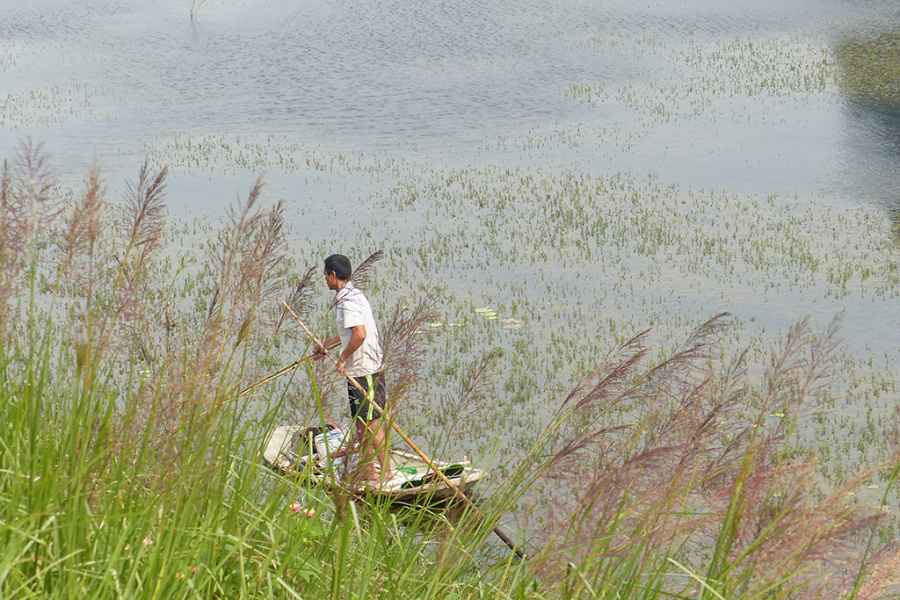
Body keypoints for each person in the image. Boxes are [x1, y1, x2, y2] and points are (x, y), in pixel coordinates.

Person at [313, 254, 392, 483]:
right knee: (362, 423)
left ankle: (384, 474)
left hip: (364, 370)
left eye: (325, 275)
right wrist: (325, 345)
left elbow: (360, 334)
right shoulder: (353, 294)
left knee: (372, 424)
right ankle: (368, 472)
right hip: (368, 367)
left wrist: (342, 359)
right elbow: (349, 332)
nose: (325, 280)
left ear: (333, 275)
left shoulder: (346, 301)